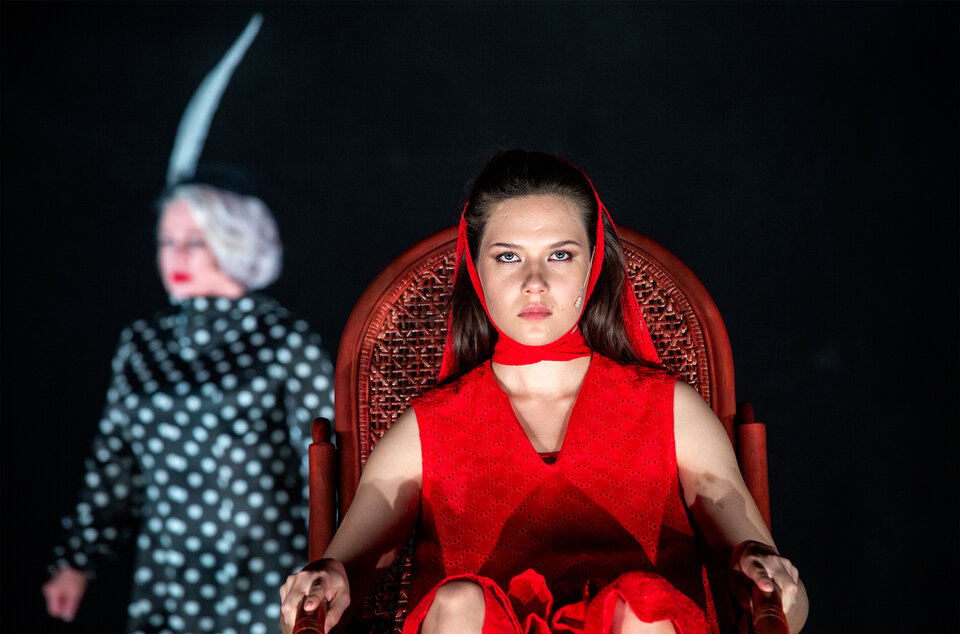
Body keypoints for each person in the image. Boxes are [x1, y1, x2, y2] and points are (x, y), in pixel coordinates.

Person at [279, 150, 808, 634]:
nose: (535, 281)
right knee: (460, 601)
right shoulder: (428, 427)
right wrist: (326, 581)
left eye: (560, 255)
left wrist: (768, 578)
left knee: (639, 604)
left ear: (592, 266)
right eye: (508, 257)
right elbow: (335, 580)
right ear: (476, 270)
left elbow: (789, 604)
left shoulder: (670, 410)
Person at [43, 183, 335, 634]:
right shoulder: (143, 343)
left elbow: (325, 465)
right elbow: (115, 462)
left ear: (236, 242)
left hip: (262, 569)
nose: (175, 256)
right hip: (169, 574)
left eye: (194, 242)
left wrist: (330, 564)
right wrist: (77, 560)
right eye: (166, 241)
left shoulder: (284, 339)